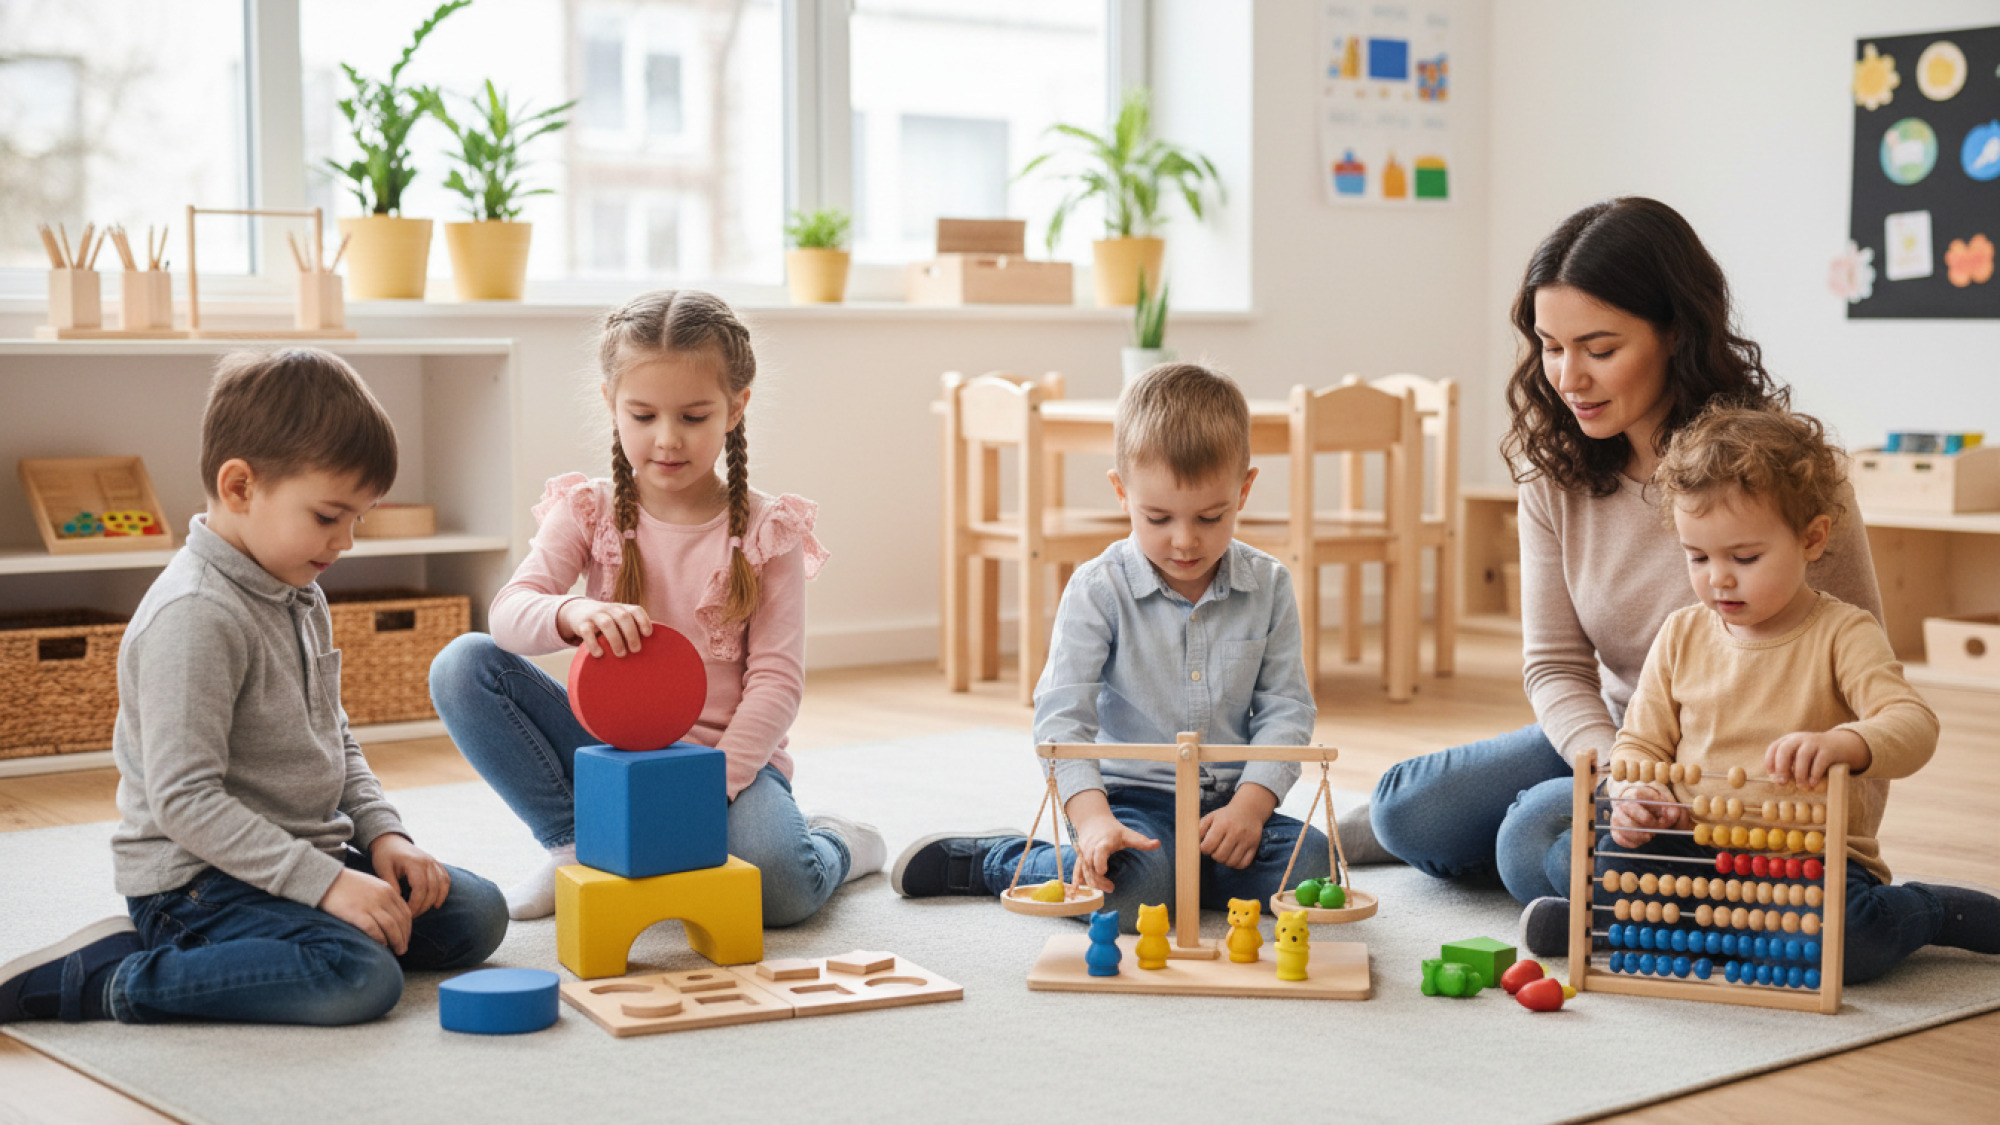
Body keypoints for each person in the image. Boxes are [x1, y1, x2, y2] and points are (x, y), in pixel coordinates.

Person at [1368, 197, 1888, 911]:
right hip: (1617, 742)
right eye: (1551, 345)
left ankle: (1552, 838)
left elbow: (1860, 678)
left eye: (1601, 349)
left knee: (1529, 834)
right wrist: (1622, 772)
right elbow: (1553, 664)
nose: (1568, 377)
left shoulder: (1786, 475)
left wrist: (1827, 833)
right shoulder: (1554, 472)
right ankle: (1554, 833)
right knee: (1404, 806)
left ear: (1675, 333)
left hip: (1737, 776)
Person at [1, 349, 507, 1026]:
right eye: (330, 516)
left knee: (477, 914)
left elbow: (335, 734)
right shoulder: (195, 616)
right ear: (239, 486)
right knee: (356, 978)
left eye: (357, 518)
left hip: (300, 855)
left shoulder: (298, 588)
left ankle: (307, 922)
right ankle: (109, 977)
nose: (347, 541)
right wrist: (328, 884)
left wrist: (385, 836)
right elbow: (185, 801)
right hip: (197, 885)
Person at [428, 289, 882, 925]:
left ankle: (837, 841)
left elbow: (777, 683)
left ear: (735, 408)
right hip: (607, 746)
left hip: (729, 762)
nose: (667, 440)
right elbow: (507, 615)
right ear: (611, 403)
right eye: (643, 416)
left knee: (778, 891)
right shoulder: (586, 509)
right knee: (462, 663)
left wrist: (710, 789)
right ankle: (575, 844)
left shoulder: (766, 529)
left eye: (693, 417)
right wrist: (571, 614)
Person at [1514, 403, 1999, 973]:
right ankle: (1645, 921)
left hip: (1808, 861)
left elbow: (1914, 725)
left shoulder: (1843, 633)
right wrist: (1634, 795)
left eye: (1744, 557)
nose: (1717, 577)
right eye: (1697, 557)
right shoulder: (1680, 635)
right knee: (1612, 854)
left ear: (1813, 539)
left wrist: (1848, 743)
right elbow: (1639, 745)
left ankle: (1929, 910)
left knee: (1852, 940)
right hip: (1696, 850)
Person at [890, 363, 1328, 929]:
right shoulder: (1099, 588)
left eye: (1211, 516)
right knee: (1124, 897)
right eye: (1158, 516)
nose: (1185, 539)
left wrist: (1250, 807)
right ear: (1122, 493)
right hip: (1129, 806)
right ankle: (999, 860)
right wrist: (1094, 820)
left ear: (1244, 489)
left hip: (1230, 803)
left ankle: (1186, 876)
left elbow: (1286, 708)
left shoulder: (1268, 584)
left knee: (1315, 869)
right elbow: (1061, 719)